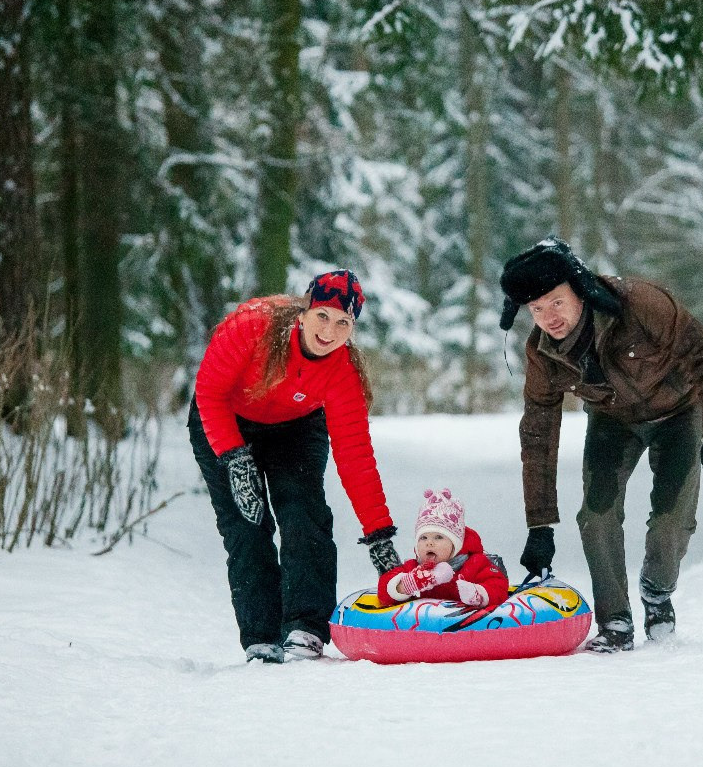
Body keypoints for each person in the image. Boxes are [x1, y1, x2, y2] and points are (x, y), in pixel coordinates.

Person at [498, 237, 703, 651]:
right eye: (536, 310)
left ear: (577, 287)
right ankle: (615, 623)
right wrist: (540, 525)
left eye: (556, 302)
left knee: (671, 520)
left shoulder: (640, 304)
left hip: (679, 411)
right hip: (613, 422)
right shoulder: (541, 353)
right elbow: (538, 434)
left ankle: (657, 591)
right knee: (596, 517)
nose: (548, 317)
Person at [188, 269, 403, 664]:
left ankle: (306, 627)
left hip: (296, 426)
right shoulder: (252, 327)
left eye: (343, 322)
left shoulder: (342, 373)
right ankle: (261, 635)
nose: (329, 330)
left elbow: (355, 456)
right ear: (303, 311)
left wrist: (378, 536)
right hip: (223, 419)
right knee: (247, 523)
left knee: (304, 510)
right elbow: (210, 392)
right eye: (323, 315)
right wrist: (236, 460)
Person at [377, 488, 509, 609]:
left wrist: (478, 594)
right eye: (423, 538)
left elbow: (498, 586)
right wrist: (407, 584)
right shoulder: (413, 568)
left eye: (438, 537)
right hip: (425, 628)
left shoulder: (475, 564)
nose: (429, 543)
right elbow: (383, 589)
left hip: (464, 627)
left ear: (455, 544)